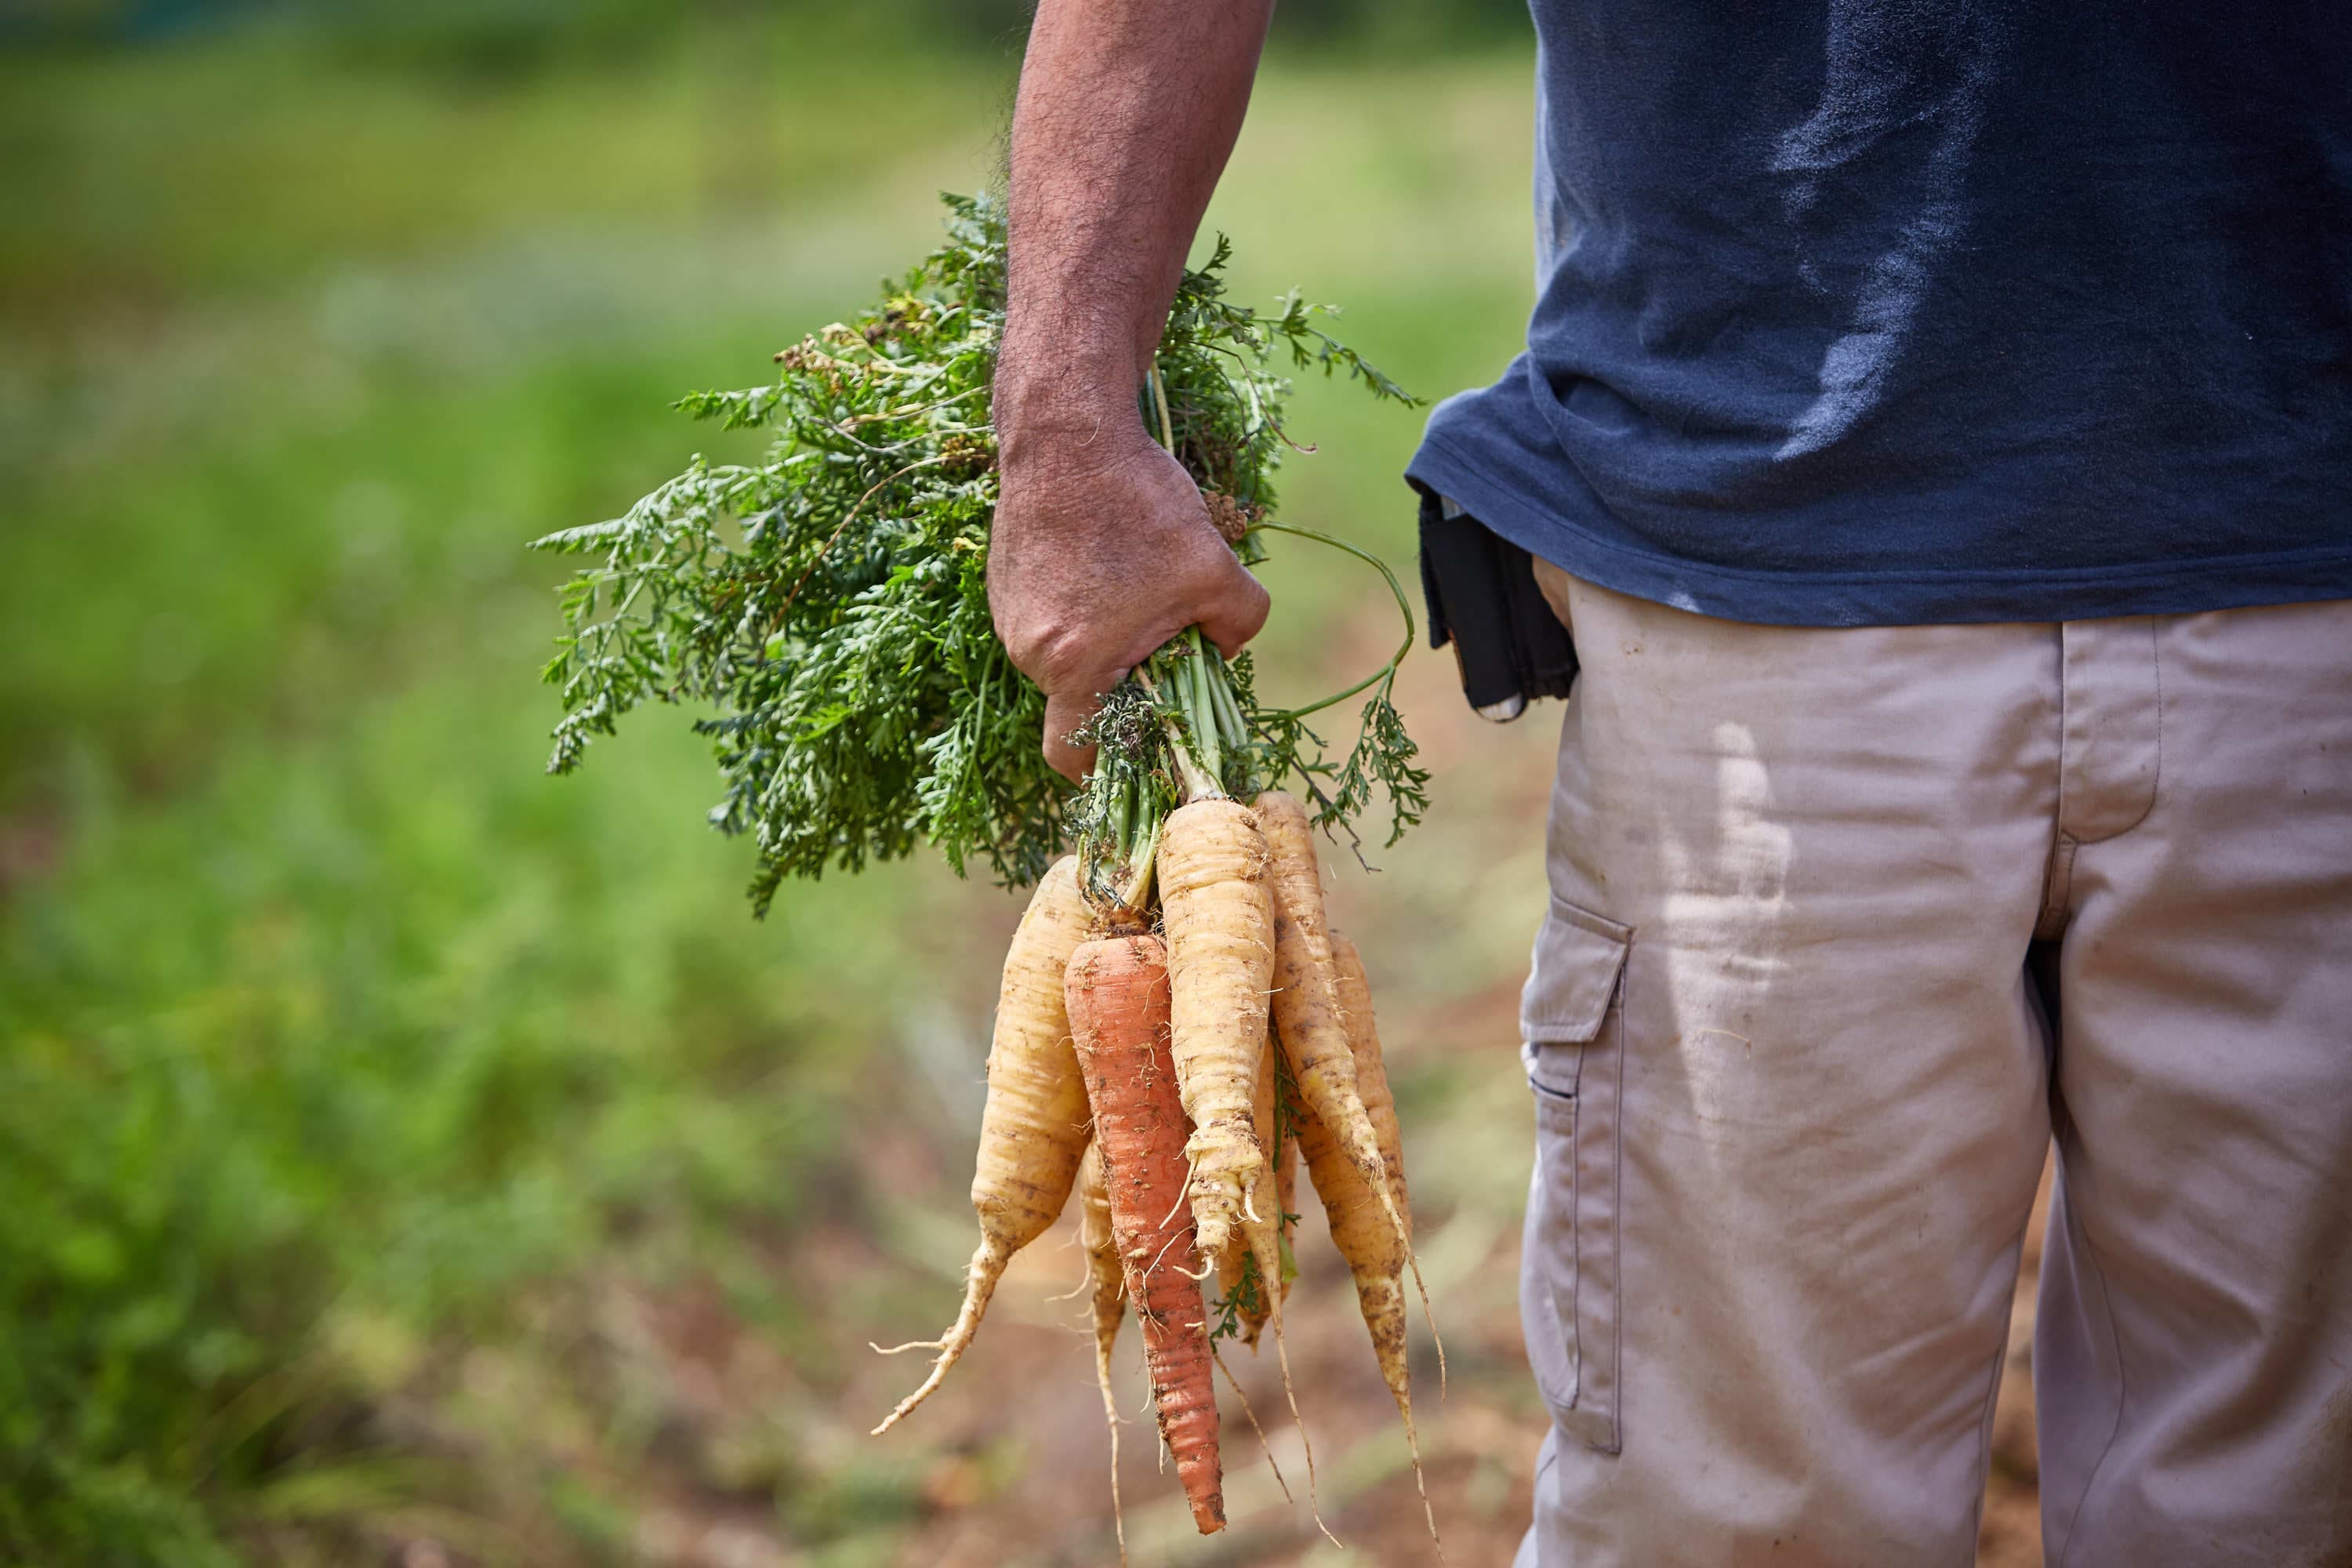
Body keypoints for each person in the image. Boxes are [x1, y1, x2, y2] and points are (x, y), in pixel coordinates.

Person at [983, 1, 2352, 1562]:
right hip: (1753, 578)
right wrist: (1066, 418)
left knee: (2289, 1511)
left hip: (2316, 588)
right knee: (1741, 1524)